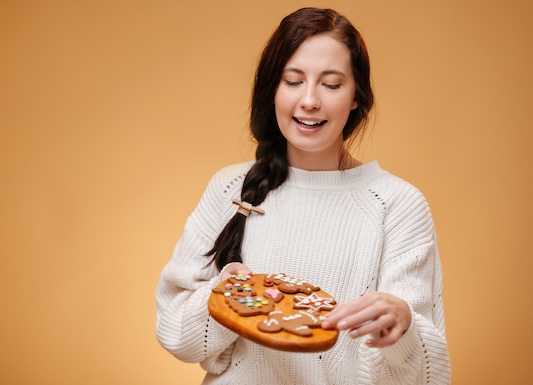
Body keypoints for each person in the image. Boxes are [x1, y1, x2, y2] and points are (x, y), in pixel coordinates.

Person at [155, 7, 450, 384]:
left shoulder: (396, 204)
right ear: (272, 89)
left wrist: (403, 328)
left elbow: (426, 376)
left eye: (330, 84)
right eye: (293, 81)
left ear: (357, 95)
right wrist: (232, 295)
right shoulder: (230, 189)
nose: (309, 101)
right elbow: (177, 334)